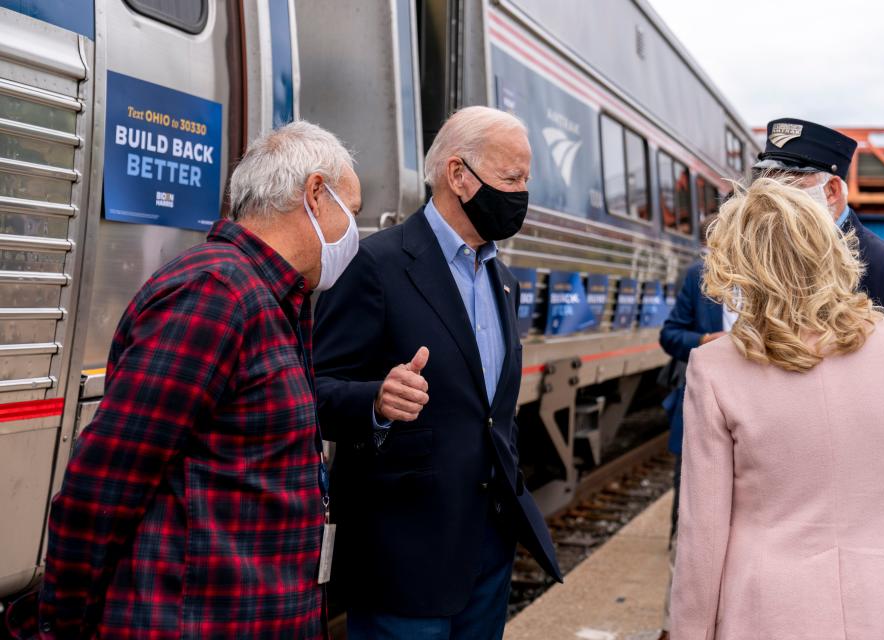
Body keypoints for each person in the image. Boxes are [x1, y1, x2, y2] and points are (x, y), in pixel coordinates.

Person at [12, 121, 361, 639]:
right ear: (314, 194)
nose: (352, 233)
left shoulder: (274, 299)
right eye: (350, 214)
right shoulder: (216, 293)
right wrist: (61, 626)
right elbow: (105, 482)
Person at [670, 177, 884, 639]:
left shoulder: (714, 368)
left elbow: (702, 531)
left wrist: (689, 630)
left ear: (738, 265)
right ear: (829, 247)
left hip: (766, 609)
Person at [312, 105, 561, 639]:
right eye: (511, 178)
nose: (521, 193)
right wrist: (375, 400)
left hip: (488, 555)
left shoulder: (503, 279)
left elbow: (495, 416)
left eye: (525, 179)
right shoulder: (374, 264)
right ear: (457, 175)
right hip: (404, 563)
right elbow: (312, 389)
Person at [755, 117, 884, 438]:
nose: (774, 202)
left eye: (788, 188)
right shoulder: (770, 263)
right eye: (767, 187)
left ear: (832, 190)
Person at [656, 215, 727, 640]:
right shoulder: (698, 276)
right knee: (687, 517)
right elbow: (670, 334)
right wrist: (703, 342)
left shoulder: (774, 273)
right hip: (699, 410)